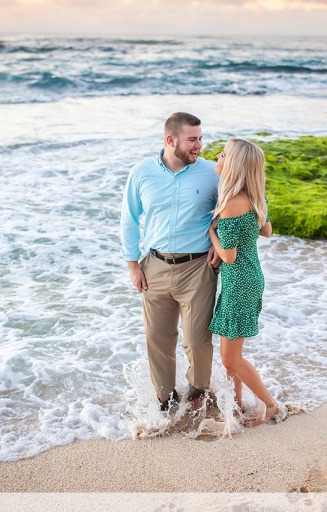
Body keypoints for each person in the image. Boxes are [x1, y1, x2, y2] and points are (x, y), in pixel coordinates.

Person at [121, 112, 221, 412]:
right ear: (170, 140)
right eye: (192, 139)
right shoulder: (141, 173)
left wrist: (221, 241)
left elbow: (243, 205)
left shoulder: (212, 173)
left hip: (198, 267)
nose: (199, 145)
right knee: (157, 340)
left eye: (201, 138)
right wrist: (132, 265)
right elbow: (129, 219)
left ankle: (198, 393)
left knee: (197, 340)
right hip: (154, 266)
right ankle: (164, 400)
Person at [208, 138, 279, 427]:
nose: (217, 156)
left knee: (230, 359)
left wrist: (210, 232)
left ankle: (270, 404)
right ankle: (236, 404)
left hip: (239, 281)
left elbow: (229, 256)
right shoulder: (254, 196)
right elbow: (267, 231)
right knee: (232, 354)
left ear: (233, 165)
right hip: (250, 278)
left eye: (223, 154)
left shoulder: (231, 204)